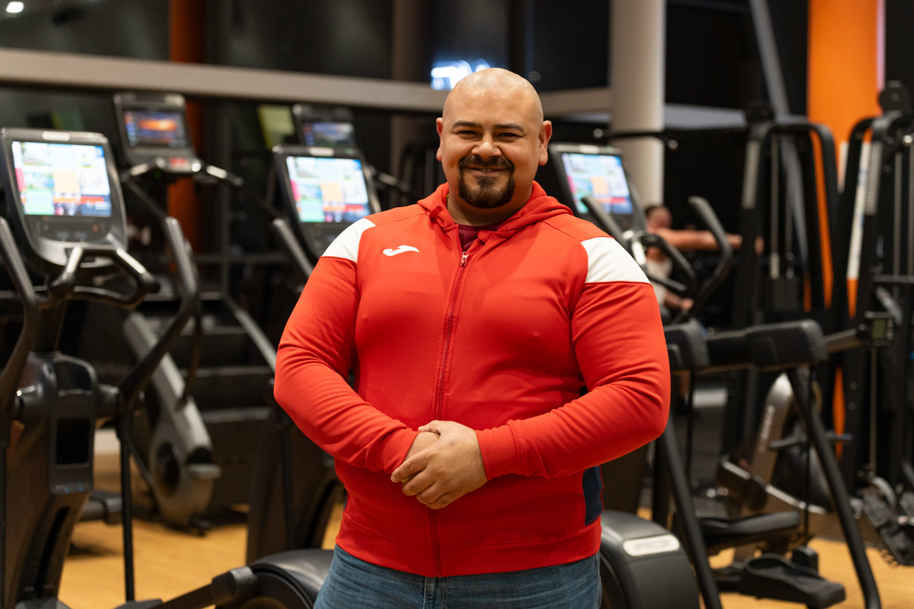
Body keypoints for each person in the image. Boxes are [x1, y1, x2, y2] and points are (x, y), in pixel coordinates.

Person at [274, 68, 670, 609]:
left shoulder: (595, 256)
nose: (486, 149)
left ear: (542, 142)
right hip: (371, 566)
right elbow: (300, 366)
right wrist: (401, 450)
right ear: (441, 138)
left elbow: (638, 399)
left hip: (533, 577)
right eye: (468, 132)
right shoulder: (365, 240)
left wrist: (486, 456)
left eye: (507, 134)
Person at [643, 204, 744, 312]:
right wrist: (739, 241)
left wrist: (680, 303)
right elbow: (700, 240)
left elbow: (655, 287)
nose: (667, 222)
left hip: (654, 309)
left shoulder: (645, 243)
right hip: (646, 311)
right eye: (662, 218)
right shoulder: (656, 237)